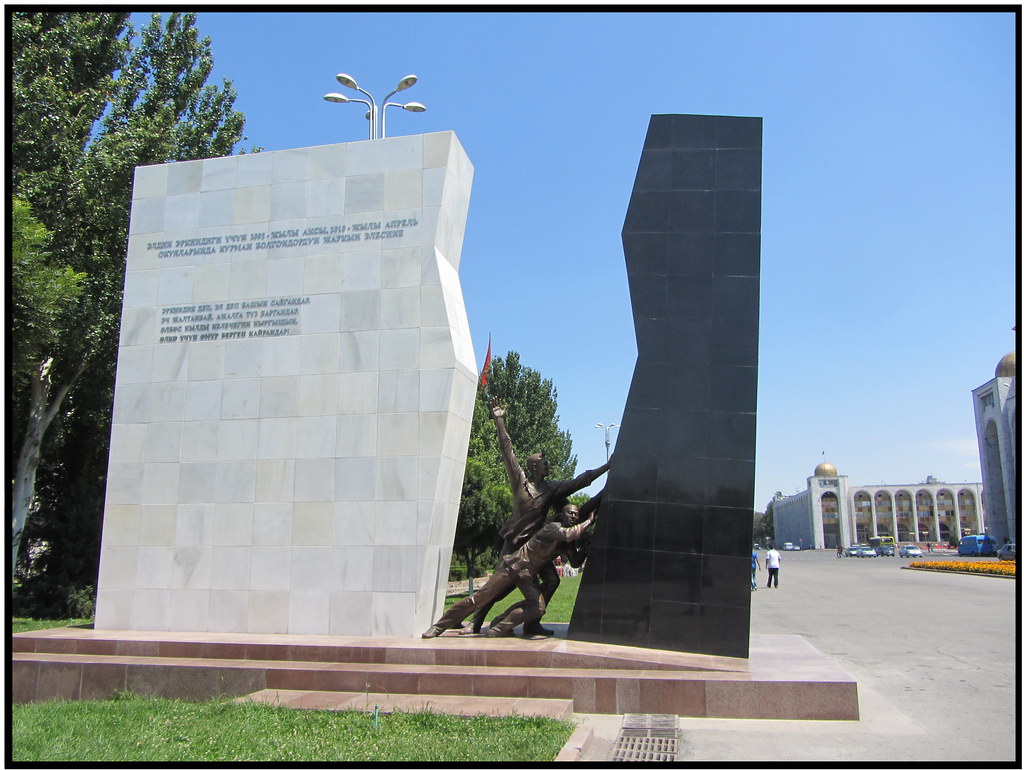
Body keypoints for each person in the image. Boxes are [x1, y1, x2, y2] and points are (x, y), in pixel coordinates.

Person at [465, 397, 610, 636]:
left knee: (552, 581)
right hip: (513, 543)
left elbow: (579, 481)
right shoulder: (519, 482)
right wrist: (499, 420)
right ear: (533, 467)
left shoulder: (551, 489)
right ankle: (476, 621)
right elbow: (507, 450)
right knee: (500, 586)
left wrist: (607, 467)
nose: (548, 465)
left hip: (535, 546)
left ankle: (532, 622)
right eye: (544, 463)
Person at [422, 502, 594, 639]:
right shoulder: (554, 528)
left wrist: (587, 549)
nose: (573, 516)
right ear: (561, 515)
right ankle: (438, 627)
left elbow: (576, 562)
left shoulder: (566, 541)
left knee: (537, 607)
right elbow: (571, 534)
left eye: (576, 514)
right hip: (513, 567)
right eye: (570, 512)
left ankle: (498, 626)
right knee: (477, 600)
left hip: (526, 574)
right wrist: (590, 520)